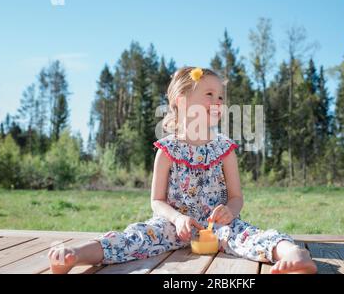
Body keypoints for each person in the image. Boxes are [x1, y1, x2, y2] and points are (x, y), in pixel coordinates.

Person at [48, 67, 317, 274]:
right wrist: (177, 219)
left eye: (221, 96)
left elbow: (236, 197)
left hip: (218, 226)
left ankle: (292, 253)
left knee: (248, 235)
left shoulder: (224, 148)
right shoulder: (167, 150)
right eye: (209, 94)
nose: (218, 101)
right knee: (136, 237)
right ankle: (77, 254)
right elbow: (157, 201)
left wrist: (229, 212)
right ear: (182, 102)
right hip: (173, 226)